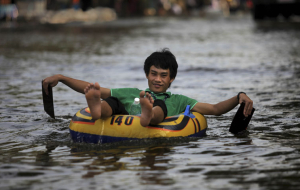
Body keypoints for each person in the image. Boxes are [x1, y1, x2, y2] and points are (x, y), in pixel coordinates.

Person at [42, 48, 253, 127]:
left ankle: (148, 114)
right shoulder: (133, 92)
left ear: (171, 79)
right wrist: (61, 78)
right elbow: (89, 87)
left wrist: (238, 97)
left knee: (158, 103)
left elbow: (215, 110)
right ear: (146, 74)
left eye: (163, 75)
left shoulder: (180, 99)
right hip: (131, 109)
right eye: (154, 74)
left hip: (153, 115)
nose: (158, 79)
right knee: (112, 102)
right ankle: (98, 110)